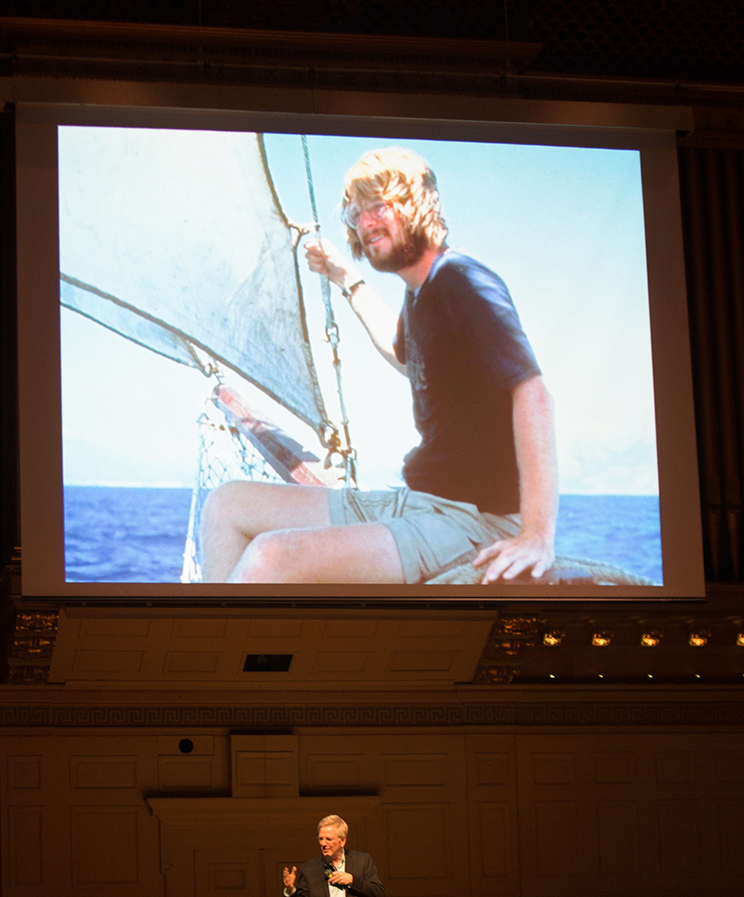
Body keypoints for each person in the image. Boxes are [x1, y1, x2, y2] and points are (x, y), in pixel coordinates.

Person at [201, 146, 557, 585]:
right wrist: (344, 278)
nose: (364, 223)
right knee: (227, 506)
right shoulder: (422, 293)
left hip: (470, 523)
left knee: (272, 556)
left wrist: (537, 534)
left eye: (377, 207)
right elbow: (404, 355)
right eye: (355, 214)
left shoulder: (461, 279)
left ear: (413, 204)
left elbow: (533, 392)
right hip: (420, 502)